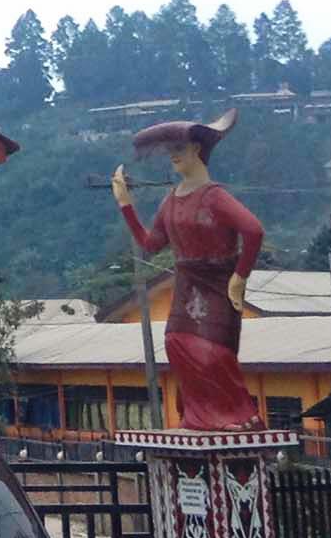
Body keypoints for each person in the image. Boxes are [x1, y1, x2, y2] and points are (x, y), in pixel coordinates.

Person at [112, 108, 264, 432]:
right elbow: (151, 243)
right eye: (170, 151)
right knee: (177, 342)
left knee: (213, 351)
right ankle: (200, 415)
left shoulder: (215, 197)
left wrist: (239, 277)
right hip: (186, 281)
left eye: (179, 149)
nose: (173, 156)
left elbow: (253, 231)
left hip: (218, 280)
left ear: (197, 149)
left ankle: (233, 414)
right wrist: (126, 204)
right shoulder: (170, 201)